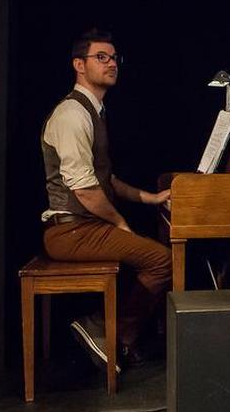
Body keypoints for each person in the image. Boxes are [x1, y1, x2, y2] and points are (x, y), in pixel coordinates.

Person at [40, 28, 172, 371]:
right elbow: (84, 189)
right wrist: (120, 222)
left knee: (151, 254)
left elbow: (106, 180)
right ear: (78, 64)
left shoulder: (93, 112)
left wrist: (152, 198)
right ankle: (107, 330)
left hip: (82, 228)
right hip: (69, 231)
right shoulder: (72, 114)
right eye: (101, 57)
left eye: (114, 58)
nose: (111, 63)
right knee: (161, 261)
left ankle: (116, 337)